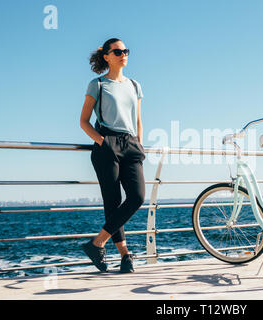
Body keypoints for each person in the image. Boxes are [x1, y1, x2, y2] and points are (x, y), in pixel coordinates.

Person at [79, 38, 146, 273]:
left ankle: (97, 243)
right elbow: (84, 122)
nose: (123, 54)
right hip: (107, 143)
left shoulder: (135, 85)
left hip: (130, 143)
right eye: (117, 51)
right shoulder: (97, 84)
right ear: (107, 56)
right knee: (113, 202)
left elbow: (137, 120)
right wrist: (102, 142)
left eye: (125, 50)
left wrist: (139, 143)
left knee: (137, 197)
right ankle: (125, 256)